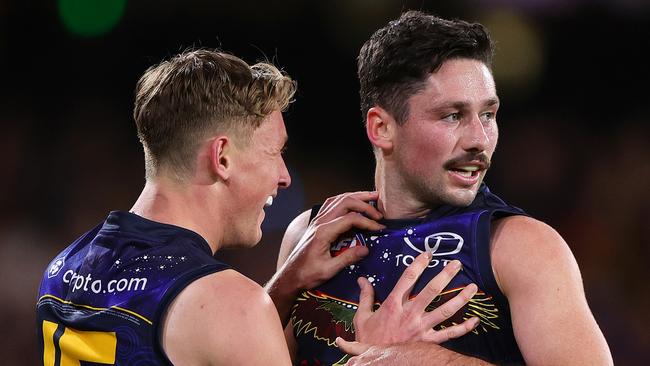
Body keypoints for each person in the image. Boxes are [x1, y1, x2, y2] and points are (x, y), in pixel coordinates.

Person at [36, 49, 476, 365]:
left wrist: (282, 288)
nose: (283, 177)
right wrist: (378, 355)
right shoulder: (230, 304)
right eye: (274, 152)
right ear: (222, 156)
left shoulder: (64, 267)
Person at [276, 11, 613, 366]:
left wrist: (434, 362)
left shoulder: (521, 247)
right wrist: (281, 289)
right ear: (382, 128)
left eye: (488, 114)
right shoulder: (309, 235)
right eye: (452, 116)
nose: (479, 140)